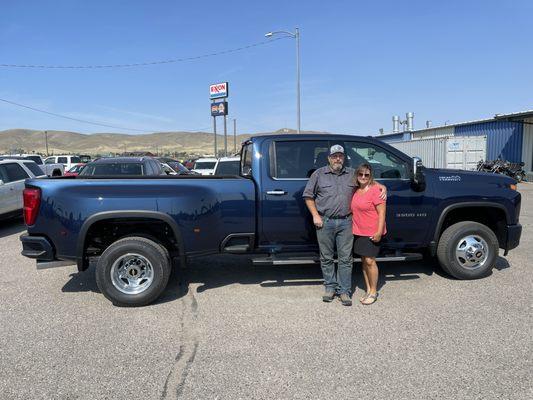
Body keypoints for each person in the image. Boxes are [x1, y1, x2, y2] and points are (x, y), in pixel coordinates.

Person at [303, 145, 386, 306]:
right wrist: (315, 215)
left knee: (345, 259)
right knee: (326, 257)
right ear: (329, 158)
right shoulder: (318, 174)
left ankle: (344, 291)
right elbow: (308, 195)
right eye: (334, 156)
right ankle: (330, 288)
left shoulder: (352, 174)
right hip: (324, 221)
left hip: (347, 222)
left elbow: (368, 181)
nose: (337, 159)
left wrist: (383, 186)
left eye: (340, 156)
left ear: (344, 158)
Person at [351, 163, 386, 305]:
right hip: (358, 231)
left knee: (370, 261)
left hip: (372, 231)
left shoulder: (376, 190)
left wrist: (379, 231)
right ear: (357, 175)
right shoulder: (356, 190)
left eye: (367, 174)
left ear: (371, 175)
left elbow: (382, 212)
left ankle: (373, 292)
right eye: (361, 174)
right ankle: (368, 290)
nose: (363, 177)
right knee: (364, 262)